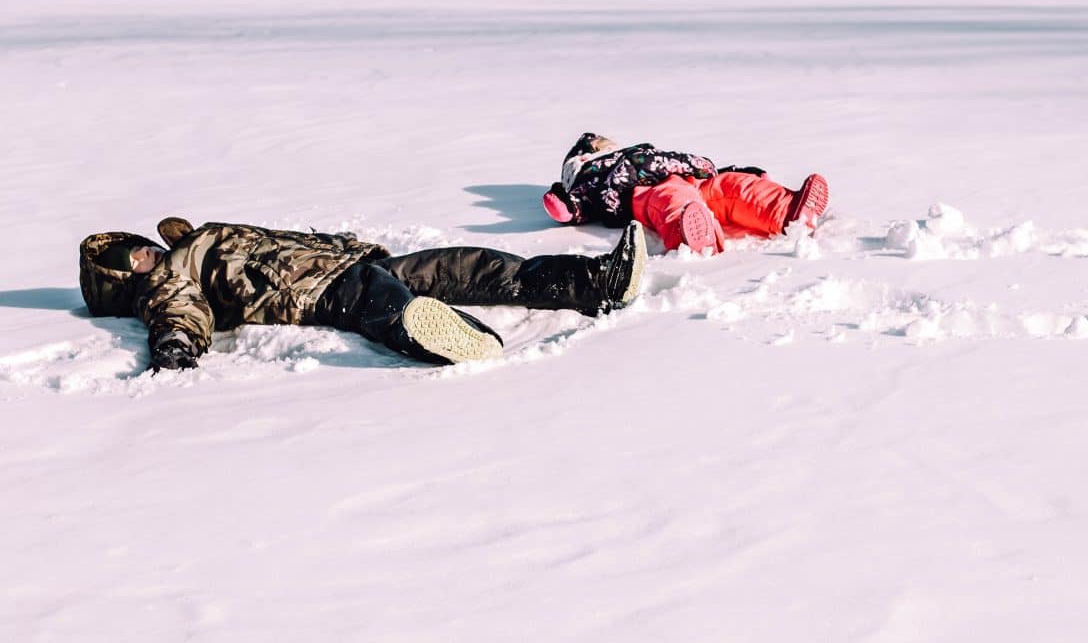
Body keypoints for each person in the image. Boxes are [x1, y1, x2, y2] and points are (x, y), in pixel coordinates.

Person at [79, 216, 646, 371]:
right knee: (382, 303)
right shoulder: (164, 283)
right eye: (134, 261)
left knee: (469, 265)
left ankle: (596, 281)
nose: (147, 256)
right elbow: (178, 312)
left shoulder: (188, 245)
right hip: (316, 291)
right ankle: (441, 335)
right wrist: (176, 345)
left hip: (350, 261)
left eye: (141, 247)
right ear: (125, 280)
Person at [541, 133, 829, 254]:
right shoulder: (593, 175)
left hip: (690, 178)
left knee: (731, 187)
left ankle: (788, 211)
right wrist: (566, 203)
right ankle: (693, 237)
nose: (611, 147)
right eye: (603, 146)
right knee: (672, 200)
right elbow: (575, 204)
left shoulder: (639, 152)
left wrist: (743, 172)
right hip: (642, 194)